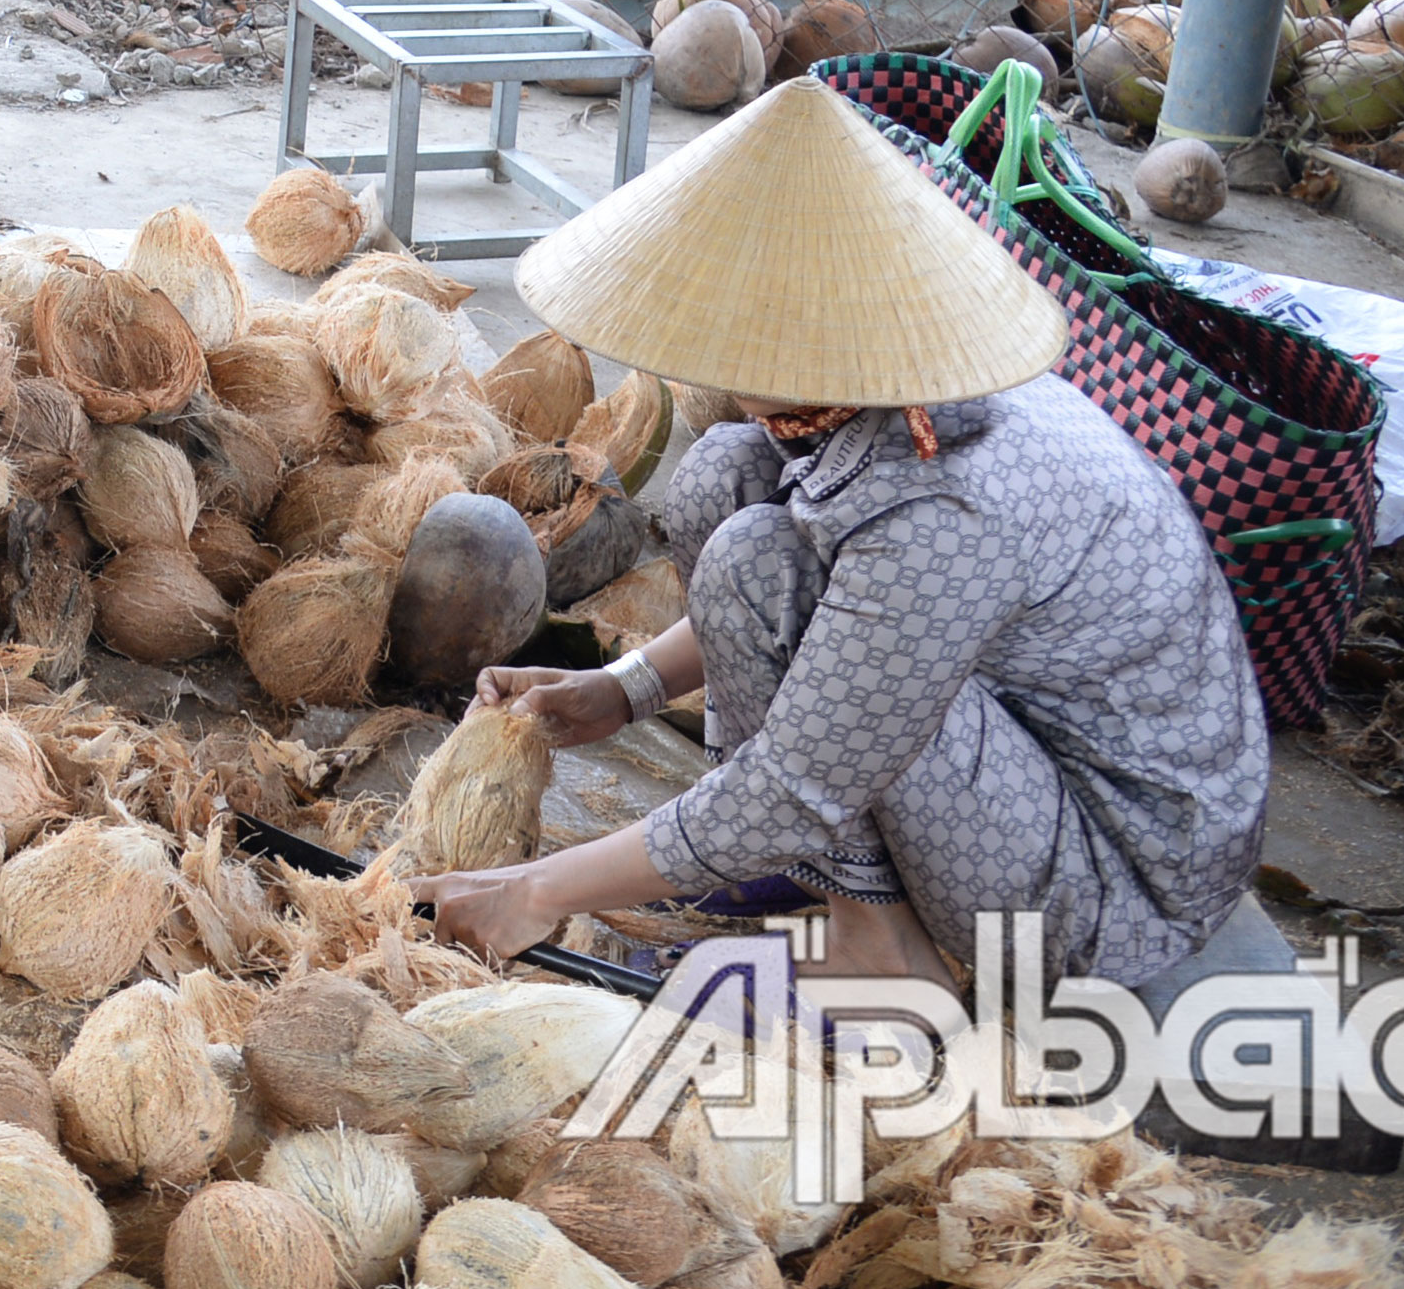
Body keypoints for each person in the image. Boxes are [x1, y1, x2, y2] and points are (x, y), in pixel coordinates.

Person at [420, 78, 1268, 993]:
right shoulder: (881, 391)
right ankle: (808, 872)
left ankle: (881, 950)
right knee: (724, 482)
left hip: (1115, 878)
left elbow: (799, 778)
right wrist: (623, 689)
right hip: (1013, 744)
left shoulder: (937, 512)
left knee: (756, 566)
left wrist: (536, 890)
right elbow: (844, 634)